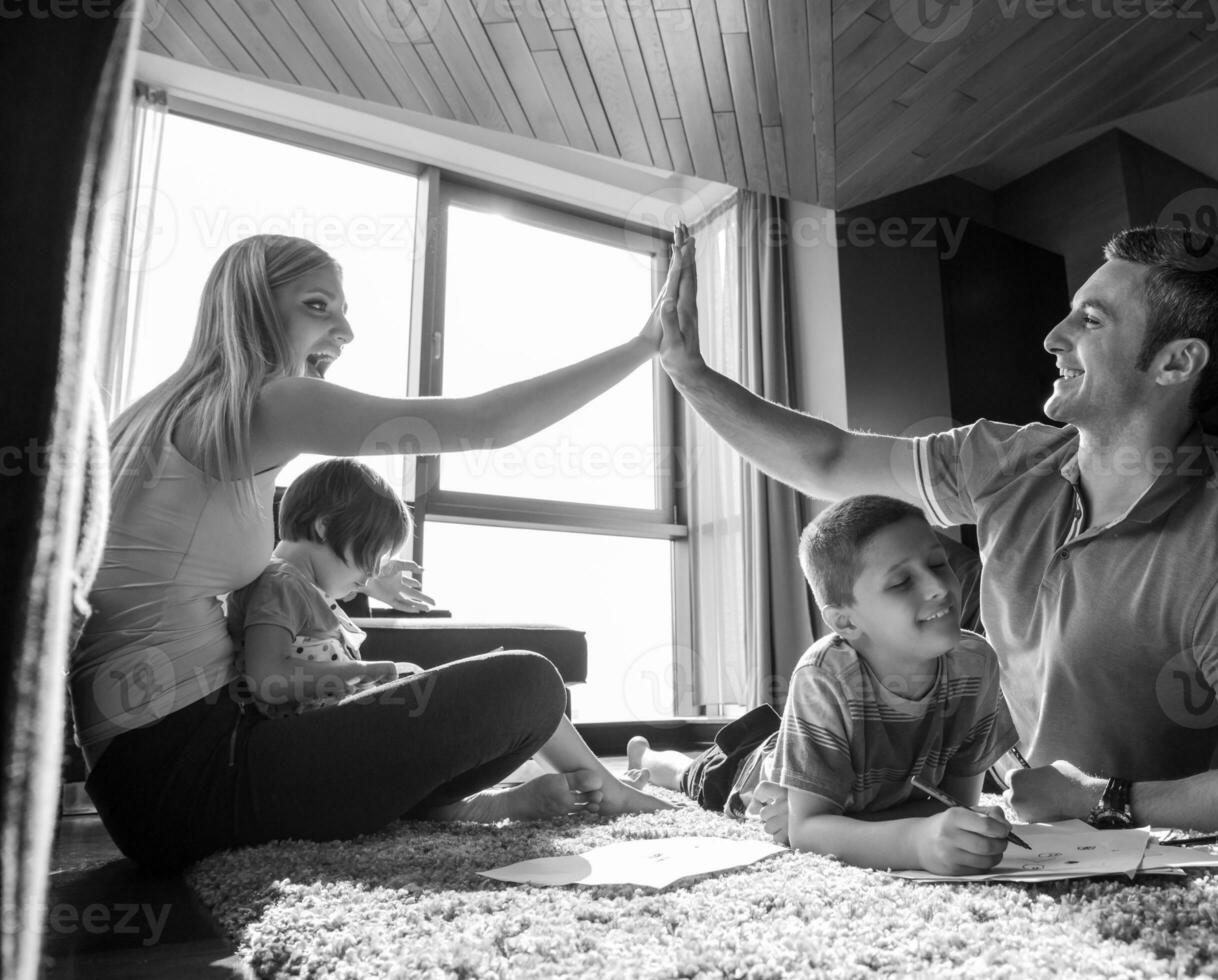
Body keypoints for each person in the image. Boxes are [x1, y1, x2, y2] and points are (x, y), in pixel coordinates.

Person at [654, 225, 1218, 837]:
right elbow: (831, 458)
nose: (1053, 336)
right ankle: (674, 762)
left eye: (1092, 321)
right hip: (931, 762)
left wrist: (1104, 797)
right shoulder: (1009, 459)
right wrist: (686, 370)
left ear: (1177, 361)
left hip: (1019, 814)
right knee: (735, 777)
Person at [71, 230, 690, 870]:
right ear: (253, 303)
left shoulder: (151, 419)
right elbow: (487, 423)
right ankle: (580, 793)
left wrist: (366, 585)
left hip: (142, 781)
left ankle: (492, 802)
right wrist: (643, 346)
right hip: (191, 774)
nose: (344, 330)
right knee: (530, 684)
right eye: (318, 306)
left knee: (494, 704)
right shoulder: (266, 402)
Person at [627, 495, 1018, 874]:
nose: (937, 586)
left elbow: (956, 803)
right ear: (846, 622)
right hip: (755, 768)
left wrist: (846, 822)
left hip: (835, 767)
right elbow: (806, 830)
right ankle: (645, 757)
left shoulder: (976, 663)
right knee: (693, 777)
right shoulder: (824, 675)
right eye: (901, 582)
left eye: (939, 563)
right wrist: (914, 841)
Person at [229, 457, 420, 716]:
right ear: (325, 528)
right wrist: (359, 672)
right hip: (293, 741)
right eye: (371, 557)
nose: (371, 573)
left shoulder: (298, 587)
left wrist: (366, 582)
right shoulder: (281, 585)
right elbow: (266, 676)